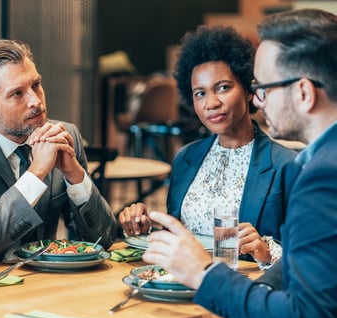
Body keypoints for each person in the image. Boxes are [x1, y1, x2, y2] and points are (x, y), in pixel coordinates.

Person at [143, 8, 337, 318]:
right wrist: (255, 302)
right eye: (200, 93)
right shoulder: (319, 162)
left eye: (264, 87)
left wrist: (206, 276)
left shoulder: (322, 175)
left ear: (304, 93)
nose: (259, 99)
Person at [119, 25, 296, 268]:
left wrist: (267, 253)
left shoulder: (285, 164)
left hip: (245, 290)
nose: (211, 103)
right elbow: (183, 237)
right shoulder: (186, 158)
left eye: (223, 87)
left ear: (247, 89)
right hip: (180, 286)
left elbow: (312, 258)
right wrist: (143, 227)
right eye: (199, 93)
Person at [0, 39, 117, 264]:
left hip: (48, 283)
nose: (36, 101)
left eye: (36, 85)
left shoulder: (64, 136)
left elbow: (102, 239)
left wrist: (75, 176)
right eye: (17, 93)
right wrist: (36, 175)